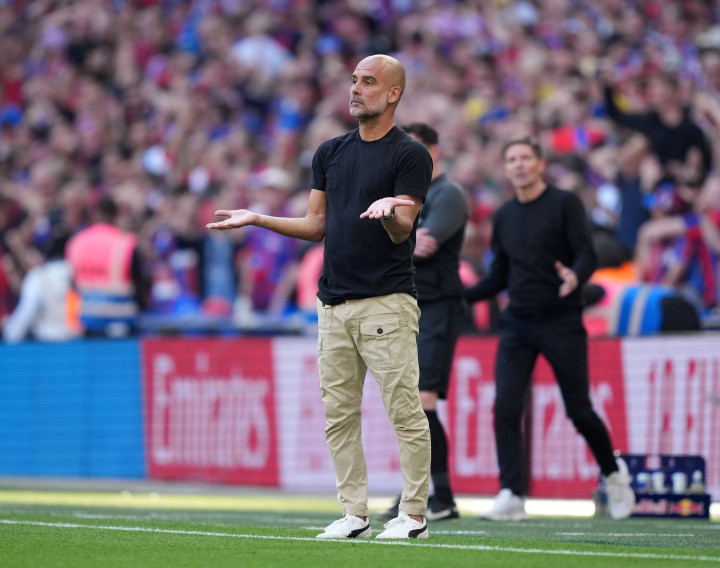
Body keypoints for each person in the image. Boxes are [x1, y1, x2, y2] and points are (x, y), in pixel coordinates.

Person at [207, 54, 433, 540]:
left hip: (386, 302)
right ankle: (355, 514)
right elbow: (315, 226)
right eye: (354, 80)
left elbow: (403, 230)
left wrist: (389, 212)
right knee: (339, 416)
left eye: (368, 82)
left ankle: (414, 515)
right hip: (331, 305)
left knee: (404, 412)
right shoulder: (330, 152)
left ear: (393, 93)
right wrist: (258, 218)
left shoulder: (410, 154)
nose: (356, 89)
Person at [464, 136, 635, 521]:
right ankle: (511, 493)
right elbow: (499, 275)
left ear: (540, 164)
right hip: (517, 324)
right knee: (505, 406)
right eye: (512, 159)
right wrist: (461, 296)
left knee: (579, 410)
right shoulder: (504, 216)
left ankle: (613, 473)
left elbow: (586, 253)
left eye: (526, 157)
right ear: (506, 169)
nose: (519, 164)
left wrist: (576, 275)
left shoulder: (564, 203)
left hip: (561, 321)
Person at [378, 123, 467, 522]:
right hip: (409, 307)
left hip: (438, 307)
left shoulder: (448, 194)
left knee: (423, 403)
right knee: (410, 404)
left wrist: (395, 238)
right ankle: (430, 493)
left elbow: (417, 243)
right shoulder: (403, 195)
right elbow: (406, 242)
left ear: (433, 151)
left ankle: (437, 495)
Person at [66, 196, 147, 338]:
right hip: (122, 316)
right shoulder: (126, 242)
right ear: (115, 215)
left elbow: (71, 283)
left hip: (86, 316)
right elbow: (139, 281)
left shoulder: (77, 241)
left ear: (94, 214)